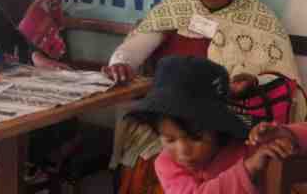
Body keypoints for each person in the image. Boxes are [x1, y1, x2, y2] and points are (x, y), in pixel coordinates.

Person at [102, 0, 305, 193]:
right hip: (170, 117)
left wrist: (251, 82)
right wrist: (121, 62)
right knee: (156, 153)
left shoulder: (260, 20)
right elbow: (141, 40)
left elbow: (283, 82)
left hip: (221, 125)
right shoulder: (179, 2)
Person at [128, 55, 307, 193]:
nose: (183, 151)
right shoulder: (167, 163)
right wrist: (248, 169)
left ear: (218, 129)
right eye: (169, 139)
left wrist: (283, 134)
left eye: (196, 137)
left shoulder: (246, 144)